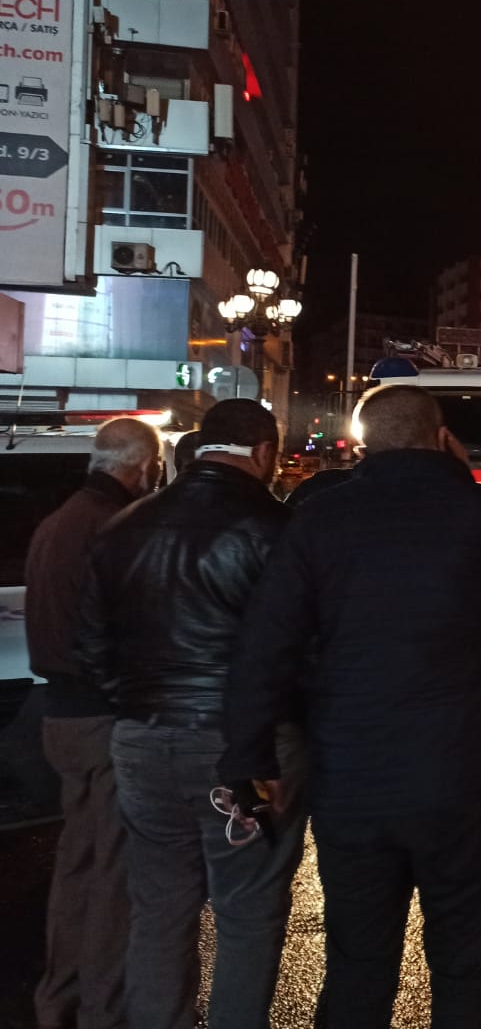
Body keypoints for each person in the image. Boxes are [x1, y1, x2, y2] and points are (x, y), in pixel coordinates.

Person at [219, 385, 481, 1027]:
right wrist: (462, 476)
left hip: (353, 778)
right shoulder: (474, 511)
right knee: (463, 960)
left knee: (359, 961)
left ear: (365, 440)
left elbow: (266, 644)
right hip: (459, 778)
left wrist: (249, 755)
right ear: (441, 436)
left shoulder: (320, 517)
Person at [77, 399, 305, 1029]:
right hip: (243, 748)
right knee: (246, 910)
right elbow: (300, 648)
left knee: (158, 908)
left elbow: (91, 643)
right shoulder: (275, 528)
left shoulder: (124, 524)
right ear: (264, 452)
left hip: (142, 737)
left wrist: (137, 704)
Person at [25, 417, 161, 1029]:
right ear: (143, 467)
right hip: (102, 716)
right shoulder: (112, 527)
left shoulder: (58, 522)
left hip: (61, 713)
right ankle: (102, 1009)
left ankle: (59, 998)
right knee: (112, 873)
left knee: (76, 865)